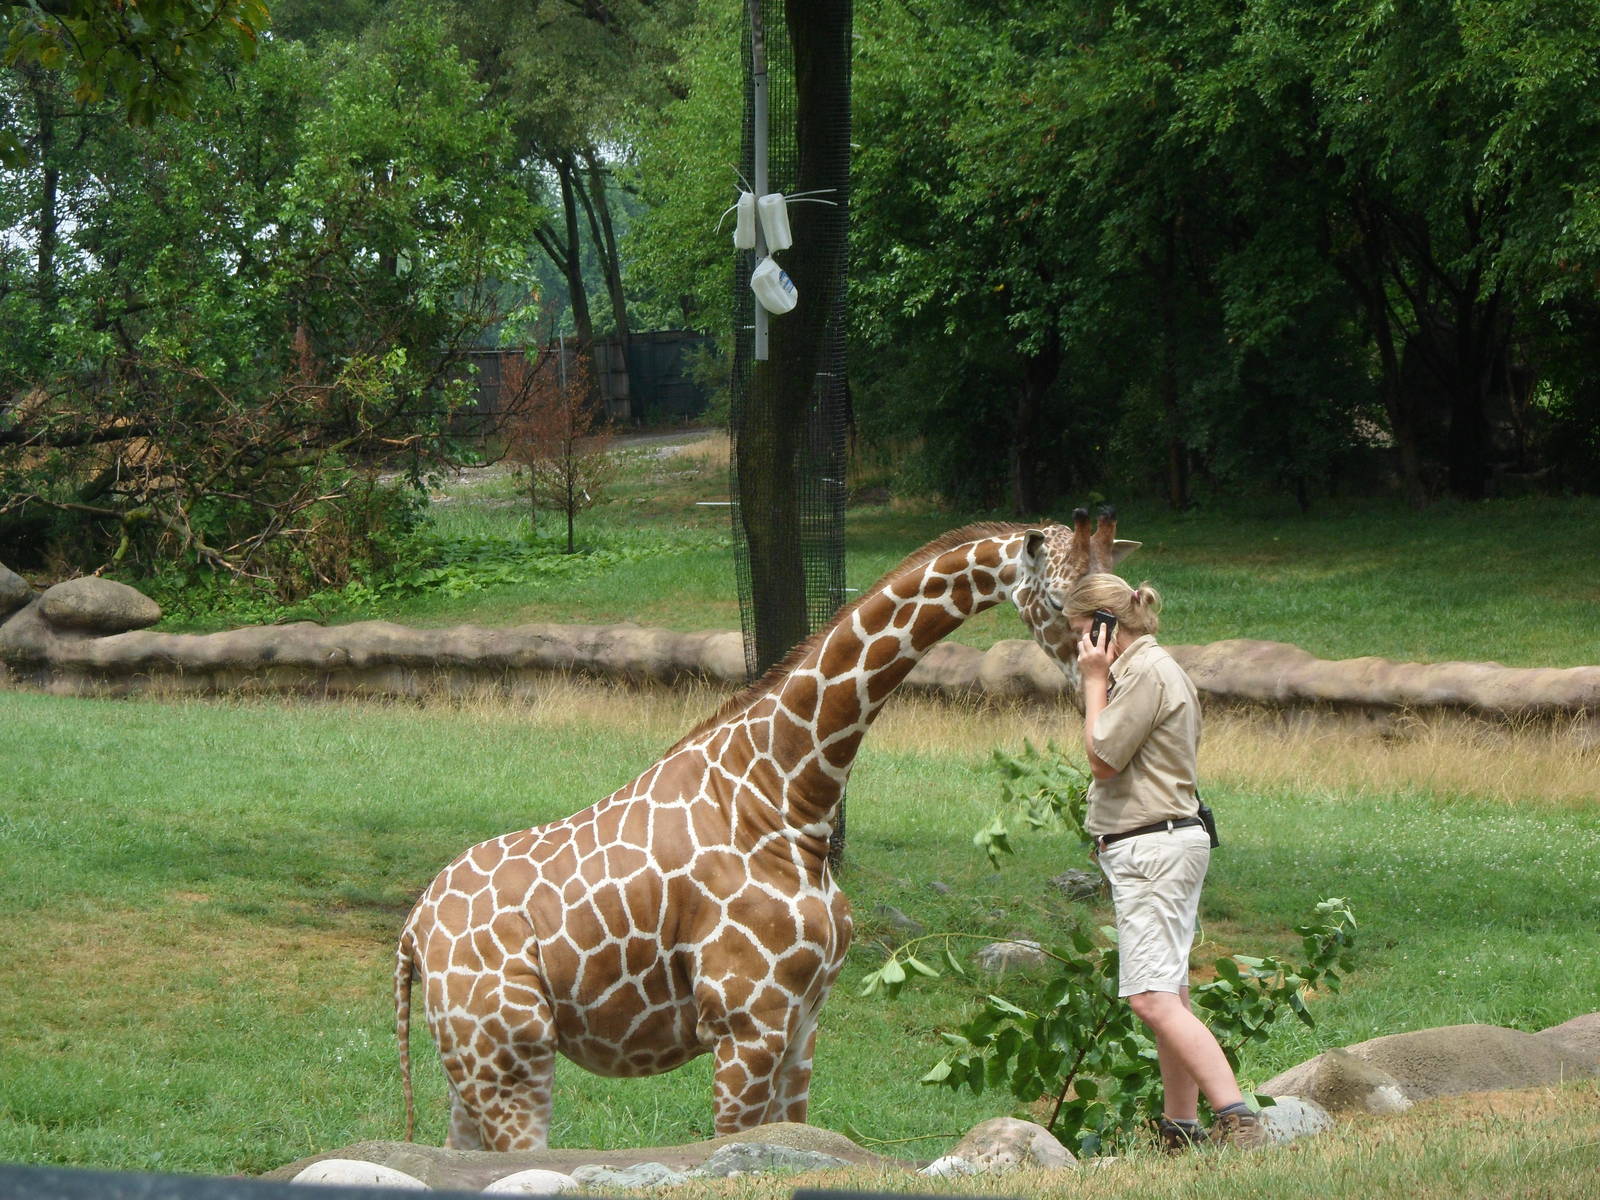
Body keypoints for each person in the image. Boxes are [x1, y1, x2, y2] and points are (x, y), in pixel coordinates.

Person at [1064, 572, 1268, 1152]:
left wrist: (1094, 681)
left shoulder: (1145, 672)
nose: (1080, 645)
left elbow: (1103, 755)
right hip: (1159, 844)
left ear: (1106, 625)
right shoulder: (1151, 670)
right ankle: (1180, 1129)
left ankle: (1239, 1120)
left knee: (1150, 999)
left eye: (1083, 632)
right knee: (1169, 993)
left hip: (1153, 847)